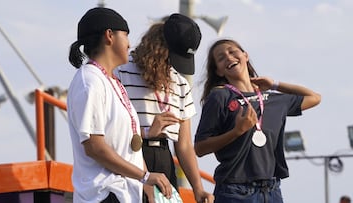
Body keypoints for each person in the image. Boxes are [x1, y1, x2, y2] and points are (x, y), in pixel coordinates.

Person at [194, 39, 321, 203]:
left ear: (245, 56)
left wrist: (275, 84)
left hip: (272, 191)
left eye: (233, 51)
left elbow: (314, 98)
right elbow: (200, 147)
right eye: (221, 57)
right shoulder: (219, 97)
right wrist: (236, 132)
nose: (228, 57)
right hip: (235, 192)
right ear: (218, 71)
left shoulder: (273, 99)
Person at [67, 7, 172, 203]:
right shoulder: (89, 81)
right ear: (109, 36)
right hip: (102, 195)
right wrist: (145, 176)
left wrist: (146, 179)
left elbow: (129, 143)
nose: (129, 44)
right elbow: (94, 147)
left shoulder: (112, 80)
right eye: (126, 35)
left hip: (124, 194)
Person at [116, 14, 214, 203]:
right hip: (130, 154)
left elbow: (184, 145)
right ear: (159, 47)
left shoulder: (180, 84)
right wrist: (147, 133)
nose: (174, 65)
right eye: (174, 57)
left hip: (164, 157)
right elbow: (114, 129)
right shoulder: (121, 70)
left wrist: (198, 189)